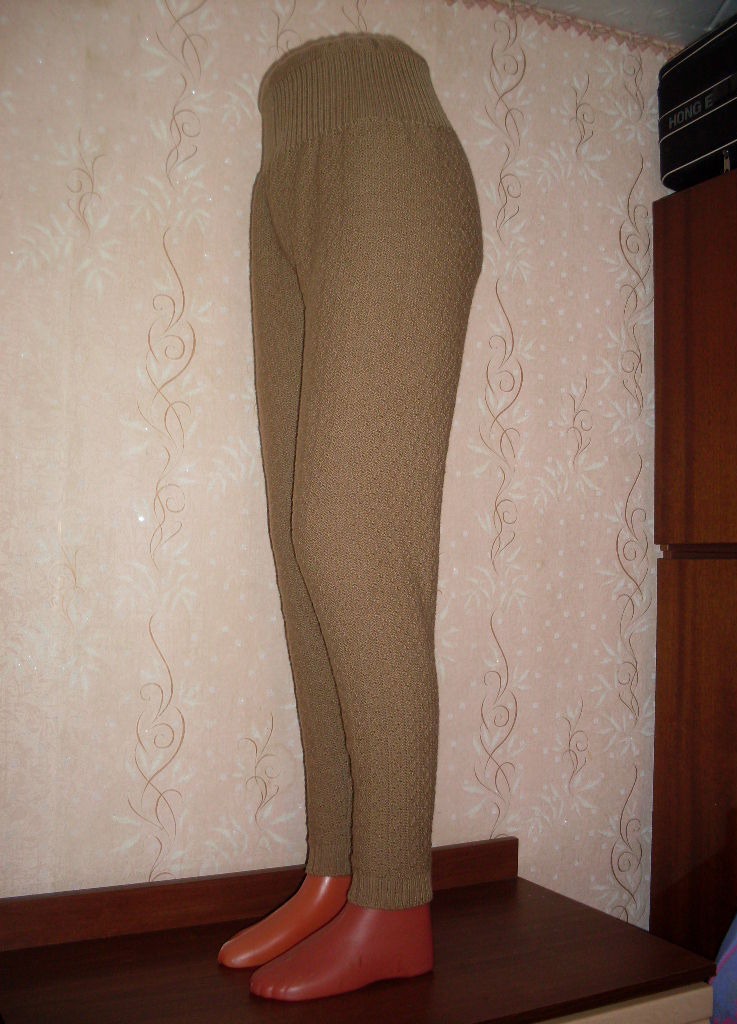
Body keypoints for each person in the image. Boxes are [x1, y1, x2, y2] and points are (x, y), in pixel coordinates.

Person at [218, 31, 483, 1001]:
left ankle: (395, 901)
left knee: (352, 536)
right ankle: (333, 872)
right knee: (300, 553)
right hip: (279, 170)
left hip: (387, 159)